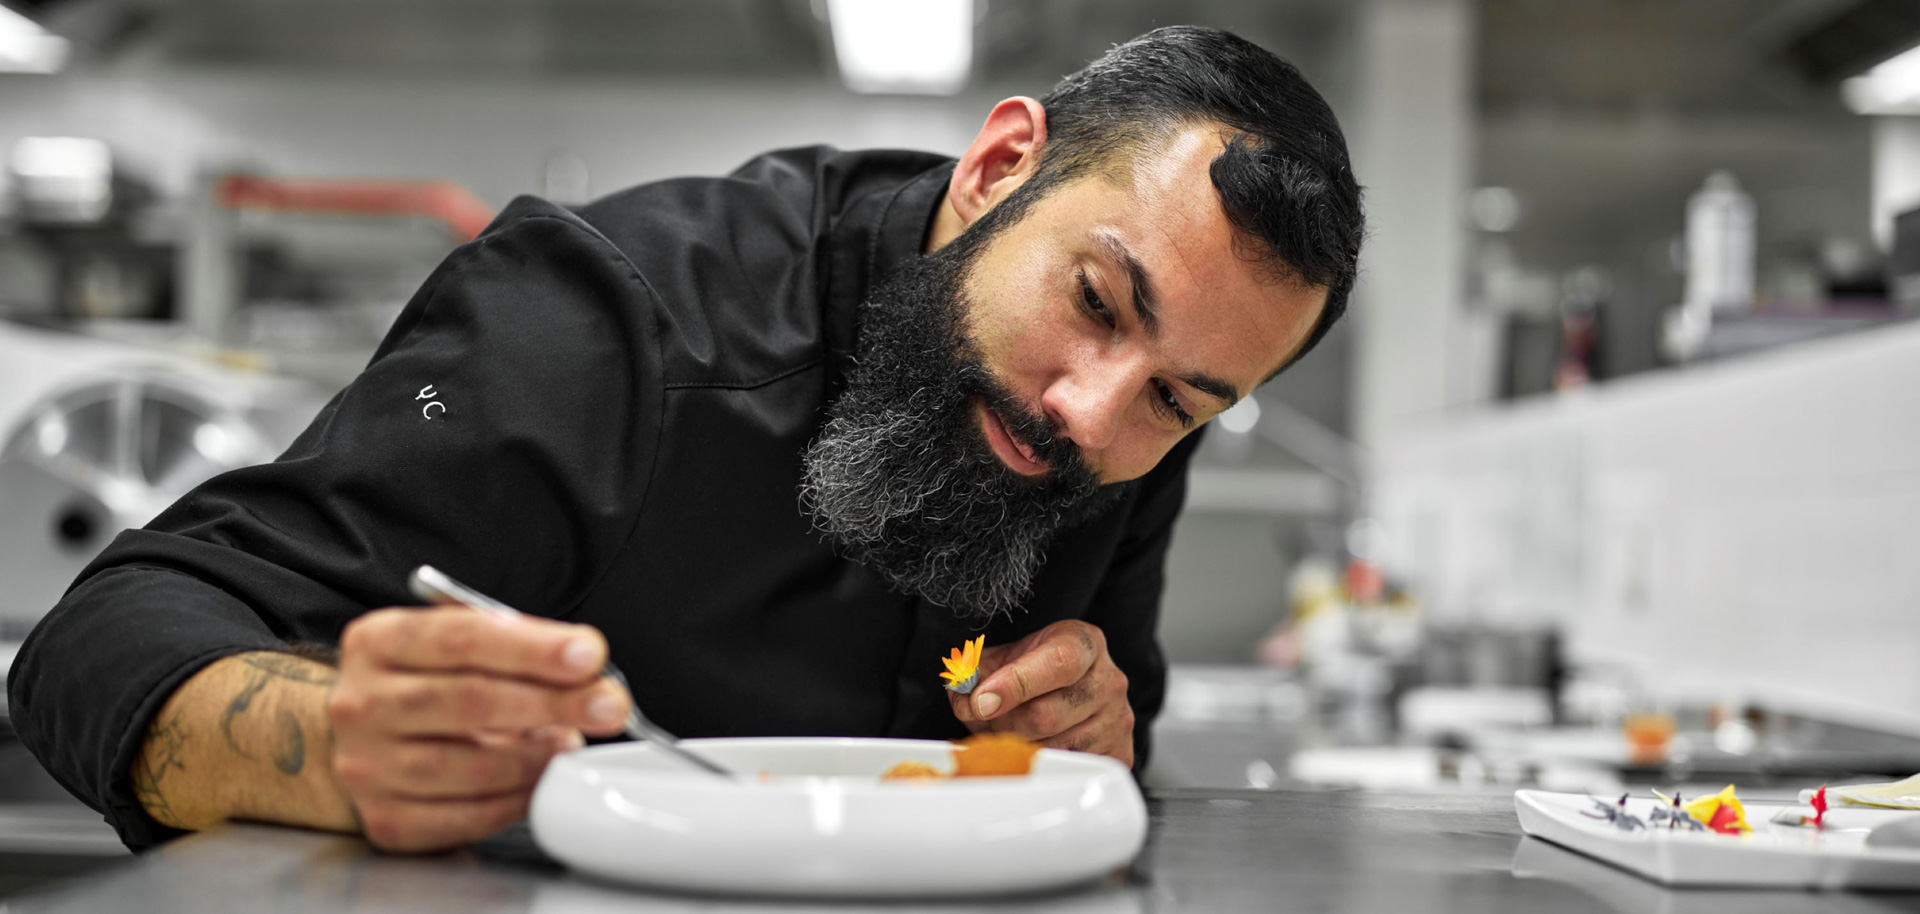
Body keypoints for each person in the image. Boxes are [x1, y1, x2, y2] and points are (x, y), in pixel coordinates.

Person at [9, 25, 1363, 853]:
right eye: (1093, 301)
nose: (1092, 411)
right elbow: (100, 639)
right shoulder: (606, 319)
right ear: (1001, 167)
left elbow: (1109, 719)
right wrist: (338, 742)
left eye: (1181, 400)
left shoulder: (1124, 427)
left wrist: (1096, 742)